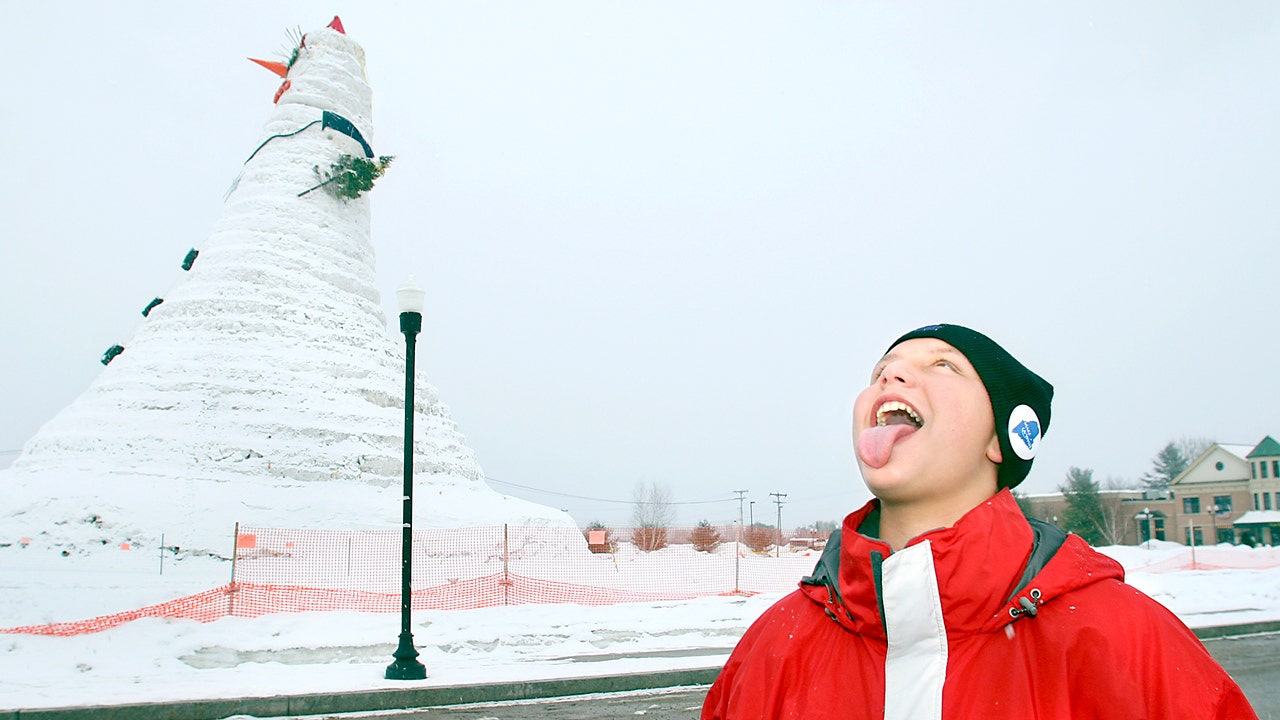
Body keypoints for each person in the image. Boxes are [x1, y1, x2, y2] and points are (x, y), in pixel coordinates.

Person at [701, 323, 1256, 719]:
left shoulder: (1125, 642)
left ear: (1003, 438)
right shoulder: (771, 649)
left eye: (942, 364)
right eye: (882, 372)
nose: (892, 374)